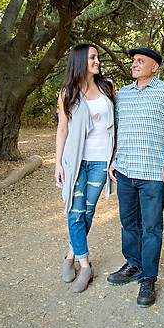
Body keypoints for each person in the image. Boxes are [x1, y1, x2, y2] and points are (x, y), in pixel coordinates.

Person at [107, 47, 164, 307]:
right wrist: (113, 160)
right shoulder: (123, 95)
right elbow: (118, 130)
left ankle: (148, 278)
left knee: (152, 228)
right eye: (133, 61)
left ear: (155, 67)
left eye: (141, 61)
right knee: (129, 223)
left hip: (153, 173)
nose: (134, 64)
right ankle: (133, 263)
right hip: (126, 170)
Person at [54, 43, 116, 293]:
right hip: (75, 160)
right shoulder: (67, 92)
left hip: (101, 160)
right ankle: (86, 265)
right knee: (74, 210)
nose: (97, 61)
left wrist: (114, 158)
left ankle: (70, 256)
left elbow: (116, 124)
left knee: (87, 212)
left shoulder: (106, 86)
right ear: (80, 60)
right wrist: (58, 162)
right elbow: (62, 129)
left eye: (97, 57)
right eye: (92, 57)